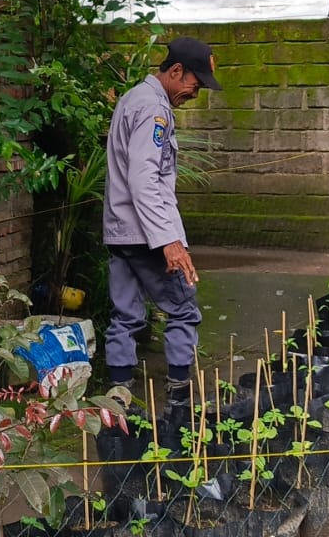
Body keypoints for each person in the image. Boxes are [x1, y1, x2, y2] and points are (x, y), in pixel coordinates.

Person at [102, 36, 221, 406]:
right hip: (146, 236)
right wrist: (169, 241)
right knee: (183, 310)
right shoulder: (154, 109)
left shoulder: (133, 98)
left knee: (126, 312)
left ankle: (119, 390)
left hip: (121, 230)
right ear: (175, 71)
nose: (195, 94)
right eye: (194, 84)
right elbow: (144, 178)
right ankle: (180, 393)